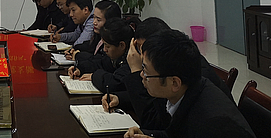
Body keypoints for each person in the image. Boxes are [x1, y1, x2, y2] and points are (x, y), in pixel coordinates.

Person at [123, 30, 255, 138]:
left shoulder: (213, 125)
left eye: (145, 71)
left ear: (174, 83)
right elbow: (174, 134)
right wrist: (146, 134)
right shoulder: (184, 91)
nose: (142, 75)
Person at [102, 17, 233, 116]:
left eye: (144, 49)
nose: (141, 55)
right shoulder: (175, 59)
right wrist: (121, 98)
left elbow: (153, 119)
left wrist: (136, 71)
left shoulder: (183, 73)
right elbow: (157, 99)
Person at [69, 17, 135, 93]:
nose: (104, 49)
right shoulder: (117, 56)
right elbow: (102, 63)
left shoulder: (132, 61)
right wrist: (80, 69)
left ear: (122, 45)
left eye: (107, 46)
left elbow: (116, 83)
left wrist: (94, 76)